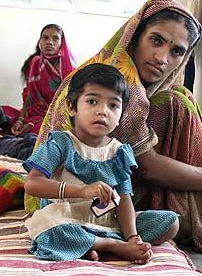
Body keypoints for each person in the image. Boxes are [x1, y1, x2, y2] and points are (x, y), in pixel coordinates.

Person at [36, 0, 202, 255]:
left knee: (180, 98)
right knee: (177, 103)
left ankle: (118, 236)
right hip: (67, 202)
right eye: (156, 40)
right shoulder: (119, 83)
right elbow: (148, 166)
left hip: (112, 201)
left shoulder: (147, 84)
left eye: (176, 51)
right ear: (135, 36)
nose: (162, 58)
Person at [24, 63, 179, 262]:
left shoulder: (120, 152)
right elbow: (32, 183)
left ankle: (94, 245)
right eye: (92, 101)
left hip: (107, 221)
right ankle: (111, 245)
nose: (103, 111)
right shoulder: (61, 143)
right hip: (65, 218)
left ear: (121, 115)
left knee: (170, 223)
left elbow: (124, 199)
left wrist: (133, 237)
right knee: (45, 226)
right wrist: (82, 191)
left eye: (113, 105)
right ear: (72, 107)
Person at [11, 24, 76, 136]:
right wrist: (20, 120)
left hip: (64, 115)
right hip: (38, 115)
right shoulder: (35, 63)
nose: (49, 42)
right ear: (39, 41)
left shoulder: (71, 68)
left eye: (55, 38)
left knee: (55, 131)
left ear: (62, 42)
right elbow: (30, 95)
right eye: (45, 38)